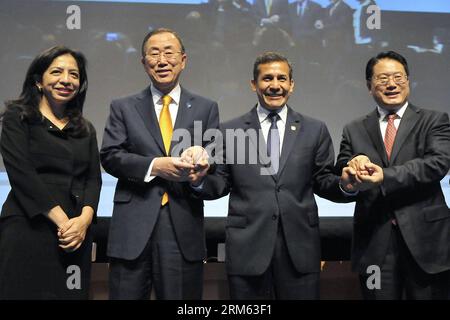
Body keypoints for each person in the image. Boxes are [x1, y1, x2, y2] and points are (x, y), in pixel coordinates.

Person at [192, 52, 354, 299]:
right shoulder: (229, 130)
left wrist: (346, 185)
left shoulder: (314, 129)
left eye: (282, 78)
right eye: (267, 78)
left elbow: (323, 181)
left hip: (300, 250)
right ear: (253, 84)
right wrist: (199, 180)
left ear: (292, 84)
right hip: (247, 249)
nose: (275, 85)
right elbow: (221, 183)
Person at [100, 28, 219, 300]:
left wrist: (200, 171)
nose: (162, 60)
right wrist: (155, 166)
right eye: (154, 54)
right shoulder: (123, 106)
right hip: (132, 226)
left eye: (169, 53)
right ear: (144, 63)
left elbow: (215, 159)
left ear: (183, 60)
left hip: (182, 224)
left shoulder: (205, 107)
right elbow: (110, 155)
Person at [335, 50, 450, 299]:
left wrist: (384, 176)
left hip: (426, 242)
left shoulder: (433, 120)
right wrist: (350, 174)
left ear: (408, 81)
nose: (391, 84)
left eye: (398, 77)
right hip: (376, 243)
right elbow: (343, 167)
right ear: (369, 86)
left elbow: (438, 164)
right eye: (383, 78)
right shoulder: (353, 129)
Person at [0, 46, 102, 299]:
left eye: (74, 75)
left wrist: (83, 222)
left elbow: (93, 180)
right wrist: (64, 223)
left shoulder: (85, 128)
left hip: (74, 237)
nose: (66, 80)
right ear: (38, 81)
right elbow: (23, 176)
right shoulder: (18, 118)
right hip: (28, 227)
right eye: (57, 72)